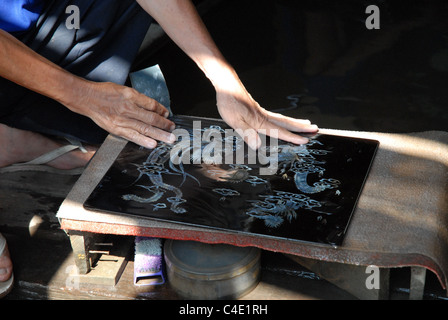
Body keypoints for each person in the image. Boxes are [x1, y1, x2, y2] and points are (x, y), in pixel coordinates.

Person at [0, 0, 318, 297]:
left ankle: (23, 138)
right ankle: (23, 130)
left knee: (142, 139)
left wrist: (225, 82)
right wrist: (83, 97)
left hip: (46, 22)